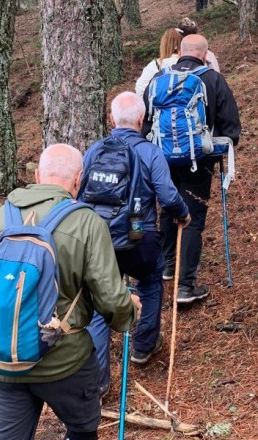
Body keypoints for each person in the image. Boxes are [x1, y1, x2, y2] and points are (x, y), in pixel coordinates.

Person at [0, 144, 142, 440]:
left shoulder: (2, 217)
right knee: (82, 430)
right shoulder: (87, 222)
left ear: (37, 175)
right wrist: (130, 311)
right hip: (65, 362)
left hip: (3, 361)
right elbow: (111, 299)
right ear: (78, 180)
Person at [82, 92, 191, 393]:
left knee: (98, 305)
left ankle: (98, 382)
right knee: (151, 280)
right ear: (143, 120)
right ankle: (143, 346)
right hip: (137, 240)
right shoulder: (151, 152)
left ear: (111, 118)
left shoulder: (94, 152)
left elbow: (79, 195)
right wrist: (183, 214)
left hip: (97, 243)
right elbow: (168, 197)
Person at [142, 34, 241, 304]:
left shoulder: (158, 79)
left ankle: (166, 267)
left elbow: (147, 123)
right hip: (199, 161)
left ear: (180, 52)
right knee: (193, 217)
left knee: (168, 209)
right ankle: (185, 286)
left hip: (162, 160)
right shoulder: (212, 78)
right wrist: (220, 148)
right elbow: (230, 126)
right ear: (205, 55)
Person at [134, 28, 182, 97]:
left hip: (160, 106)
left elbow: (140, 89)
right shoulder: (189, 63)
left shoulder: (155, 65)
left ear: (164, 44)